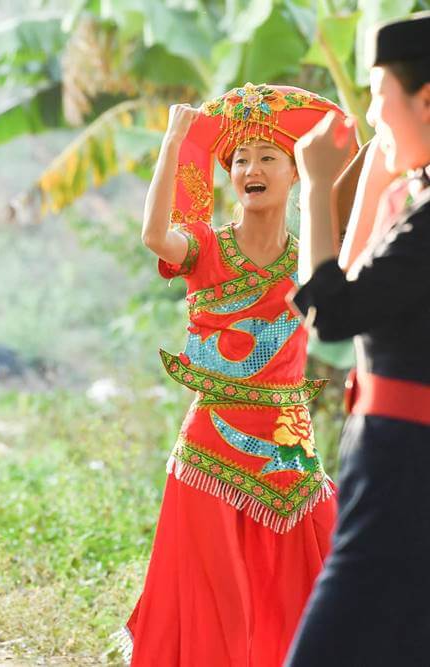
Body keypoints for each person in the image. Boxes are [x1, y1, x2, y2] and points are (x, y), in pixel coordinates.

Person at [123, 83, 353, 666]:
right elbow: (155, 236)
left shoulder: (307, 260)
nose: (252, 168)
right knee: (216, 604)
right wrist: (175, 140)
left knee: (313, 590)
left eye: (267, 157)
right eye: (240, 160)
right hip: (210, 450)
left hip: (288, 450)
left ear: (294, 172)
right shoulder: (204, 247)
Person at [286, 12, 430, 666]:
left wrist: (316, 184)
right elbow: (344, 285)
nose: (372, 116)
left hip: (405, 461)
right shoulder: (418, 201)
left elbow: (333, 312)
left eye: (378, 95)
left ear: (425, 100)